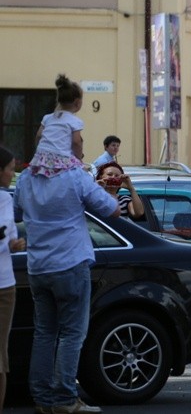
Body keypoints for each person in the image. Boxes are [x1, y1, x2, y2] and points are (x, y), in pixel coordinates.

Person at [14, 149, 120, 413]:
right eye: (78, 145)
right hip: (70, 264)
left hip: (38, 266)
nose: (83, 151)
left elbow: (16, 211)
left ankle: (42, 398)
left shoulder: (27, 176)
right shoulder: (75, 175)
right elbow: (112, 209)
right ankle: (64, 399)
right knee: (72, 333)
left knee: (45, 333)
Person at [0, 146, 26, 412]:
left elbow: (6, 238)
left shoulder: (6, 199)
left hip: (5, 284)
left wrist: (14, 243)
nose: (13, 173)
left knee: (1, 356)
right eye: (10, 168)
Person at [31, 74, 85, 178]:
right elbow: (76, 142)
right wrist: (78, 157)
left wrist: (41, 152)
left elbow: (38, 136)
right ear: (77, 102)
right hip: (60, 157)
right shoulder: (75, 121)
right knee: (81, 172)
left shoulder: (48, 118)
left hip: (41, 158)